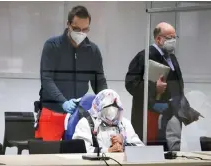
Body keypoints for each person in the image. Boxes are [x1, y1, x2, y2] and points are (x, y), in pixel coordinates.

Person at [36, 5, 108, 141]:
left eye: (85, 29)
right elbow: (46, 79)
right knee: (48, 158)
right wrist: (63, 102)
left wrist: (107, 101)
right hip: (52, 112)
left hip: (78, 116)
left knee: (77, 156)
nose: (81, 33)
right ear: (68, 25)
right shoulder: (52, 46)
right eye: (76, 29)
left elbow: (99, 82)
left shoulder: (93, 51)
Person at [125, 22, 187, 151]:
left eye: (175, 37)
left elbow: (177, 82)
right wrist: (153, 87)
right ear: (159, 39)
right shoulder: (144, 56)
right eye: (170, 38)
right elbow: (130, 84)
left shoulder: (172, 58)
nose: (173, 41)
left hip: (170, 113)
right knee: (150, 152)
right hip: (149, 115)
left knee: (169, 151)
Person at [73, 89, 144, 153]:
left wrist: (124, 142)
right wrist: (107, 151)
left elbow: (141, 149)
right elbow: (79, 150)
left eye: (115, 107)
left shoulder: (124, 123)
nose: (112, 110)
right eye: (107, 107)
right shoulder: (86, 123)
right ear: (98, 106)